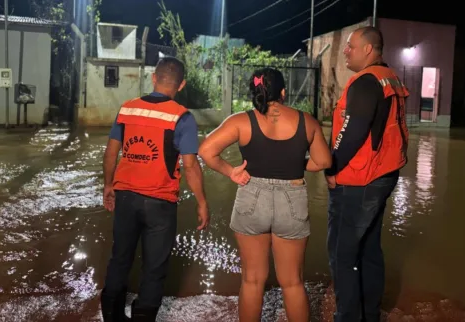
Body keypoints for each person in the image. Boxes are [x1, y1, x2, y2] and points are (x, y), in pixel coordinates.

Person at [199, 67, 332, 322]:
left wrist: (231, 172)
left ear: (254, 92)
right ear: (283, 92)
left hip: (251, 197)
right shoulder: (307, 121)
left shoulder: (241, 120)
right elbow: (324, 161)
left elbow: (206, 150)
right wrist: (297, 163)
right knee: (292, 282)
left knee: (251, 280)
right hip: (292, 199)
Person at [100, 57, 210, 322]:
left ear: (153, 77)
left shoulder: (127, 109)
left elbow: (111, 153)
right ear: (181, 84)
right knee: (154, 268)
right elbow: (191, 166)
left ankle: (112, 316)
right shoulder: (182, 117)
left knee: (120, 259)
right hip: (160, 202)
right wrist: (202, 202)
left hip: (125, 198)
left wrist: (107, 185)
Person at [325, 26, 409, 322]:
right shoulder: (390, 78)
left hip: (359, 180)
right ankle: (370, 315)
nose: (345, 51)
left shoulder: (364, 82)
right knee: (370, 249)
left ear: (369, 50)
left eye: (350, 46)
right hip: (384, 174)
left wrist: (331, 168)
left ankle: (348, 317)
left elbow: (352, 132)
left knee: (342, 254)